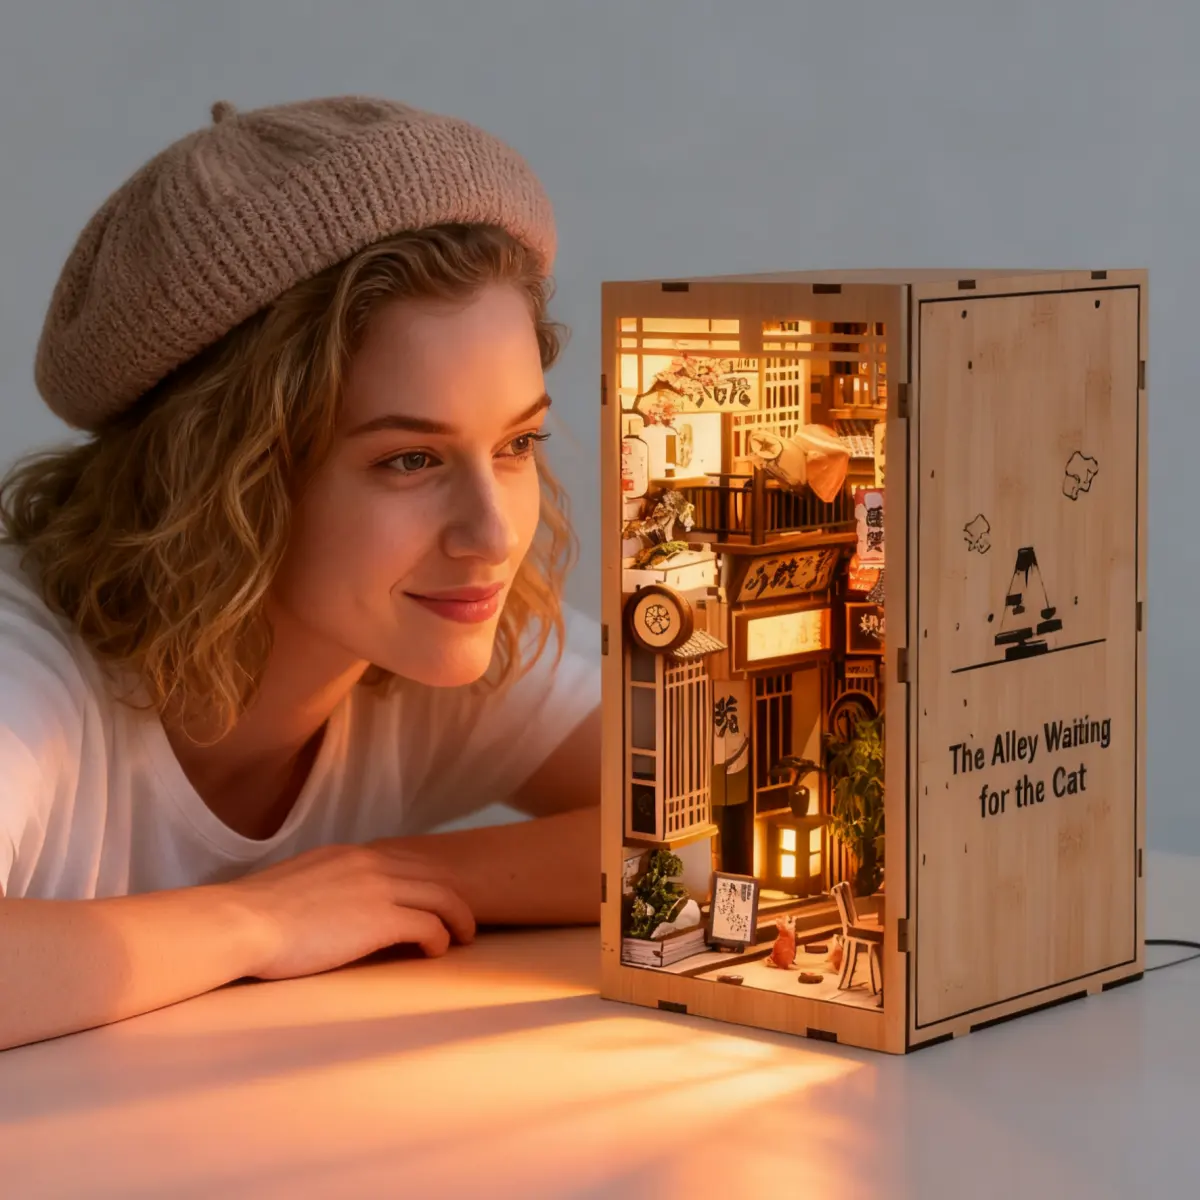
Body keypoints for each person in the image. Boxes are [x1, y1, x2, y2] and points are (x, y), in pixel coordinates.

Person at [0, 95, 601, 1052]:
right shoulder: (28, 670)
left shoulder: (442, 626)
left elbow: (754, 821)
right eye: (409, 460)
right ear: (222, 476)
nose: (492, 536)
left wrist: (402, 878)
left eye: (516, 444)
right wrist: (262, 919)